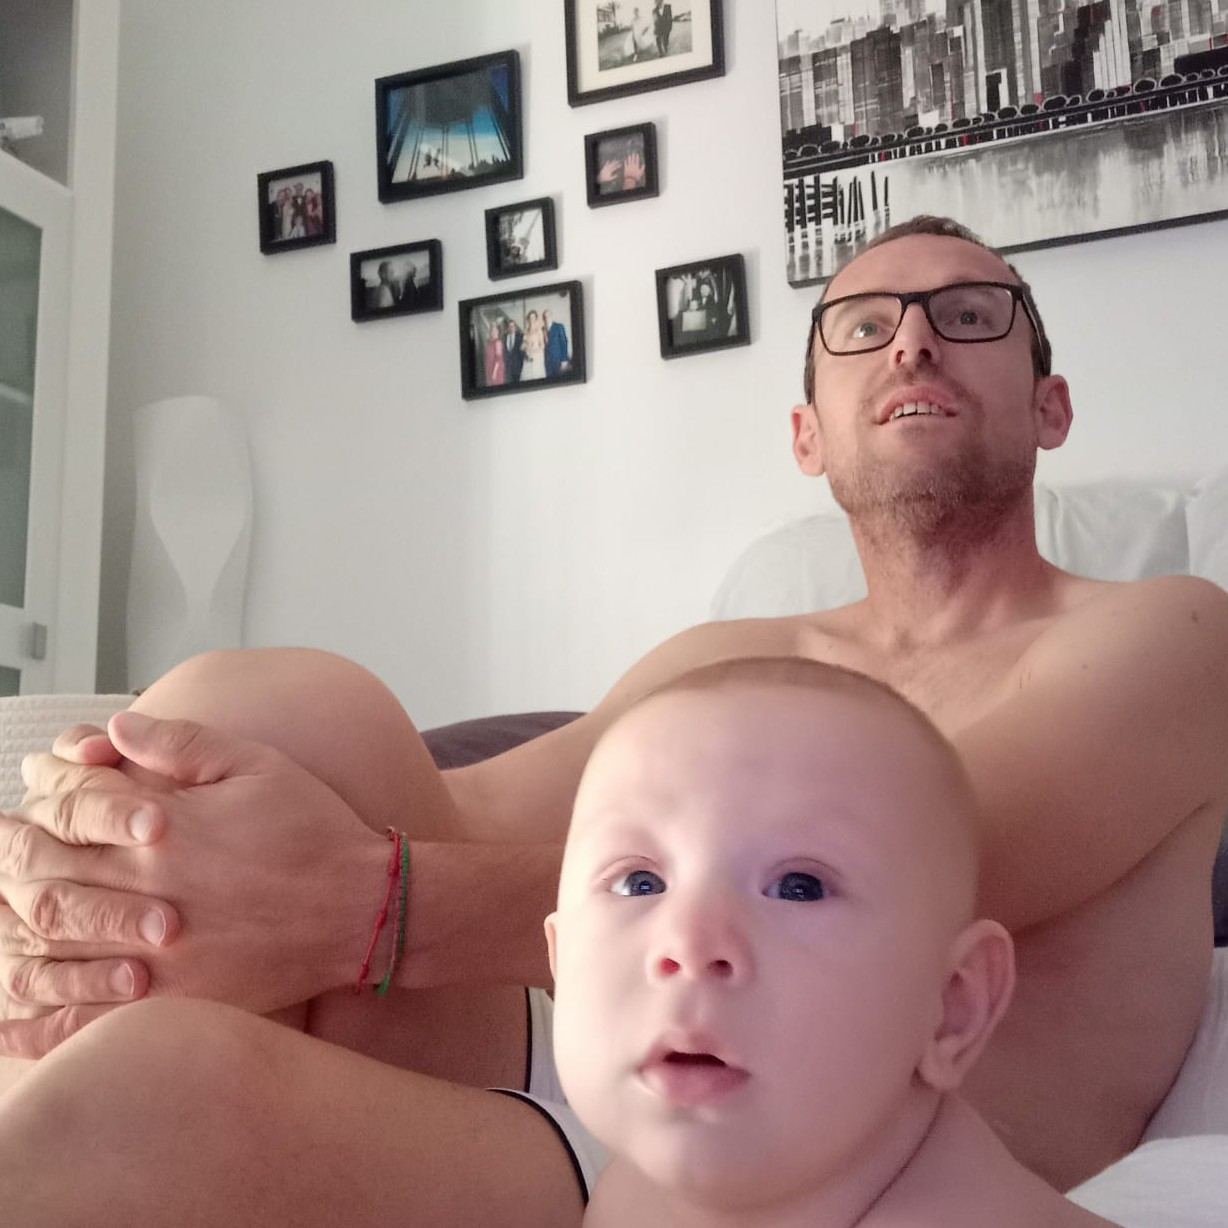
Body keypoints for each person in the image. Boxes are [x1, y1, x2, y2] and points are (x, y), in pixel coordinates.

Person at [1, 216, 1227, 1226]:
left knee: (154, 1099)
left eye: (965, 314)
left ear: (1050, 406)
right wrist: (116, 869)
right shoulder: (734, 658)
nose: (911, 341)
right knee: (270, 708)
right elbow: (464, 811)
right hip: (613, 1092)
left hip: (826, 1168)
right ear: (806, 435)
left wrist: (345, 904)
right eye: (862, 326)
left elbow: (907, 882)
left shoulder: (1168, 631)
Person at [548, 656, 1117, 1227]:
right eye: (638, 882)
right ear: (559, 960)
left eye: (800, 888)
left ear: (953, 1009)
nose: (690, 945)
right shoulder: (631, 1184)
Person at [543, 309, 571, 378]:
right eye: (545, 317)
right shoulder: (543, 329)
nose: (547, 318)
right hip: (548, 363)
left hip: (558, 361)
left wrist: (564, 360)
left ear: (551, 316)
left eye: (548, 316)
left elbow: (564, 342)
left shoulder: (559, 326)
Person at [522, 308, 546, 380]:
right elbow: (524, 343)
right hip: (527, 356)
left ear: (536, 318)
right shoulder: (526, 330)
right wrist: (524, 347)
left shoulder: (538, 330)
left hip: (537, 356)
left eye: (533, 317)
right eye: (530, 317)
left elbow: (542, 345)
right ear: (528, 319)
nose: (531, 319)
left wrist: (533, 351)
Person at [484, 317, 506, 387]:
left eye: (495, 330)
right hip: (489, 367)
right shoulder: (490, 342)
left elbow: (498, 359)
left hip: (496, 370)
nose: (493, 332)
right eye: (492, 330)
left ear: (498, 331)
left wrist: (494, 373)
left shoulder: (498, 342)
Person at [504, 317, 525, 383]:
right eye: (510, 326)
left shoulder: (520, 336)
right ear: (508, 328)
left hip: (517, 367)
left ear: (515, 327)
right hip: (508, 368)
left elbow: (522, 352)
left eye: (513, 326)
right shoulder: (504, 337)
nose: (511, 328)